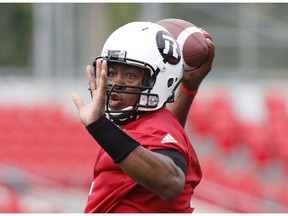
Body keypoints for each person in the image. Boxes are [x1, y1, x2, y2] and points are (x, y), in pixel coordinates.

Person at [72, 21, 215, 213]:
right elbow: (156, 136)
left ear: (159, 81)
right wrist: (188, 88)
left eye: (130, 75)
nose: (116, 83)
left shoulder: (150, 129)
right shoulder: (148, 126)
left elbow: (170, 182)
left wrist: (99, 126)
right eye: (112, 73)